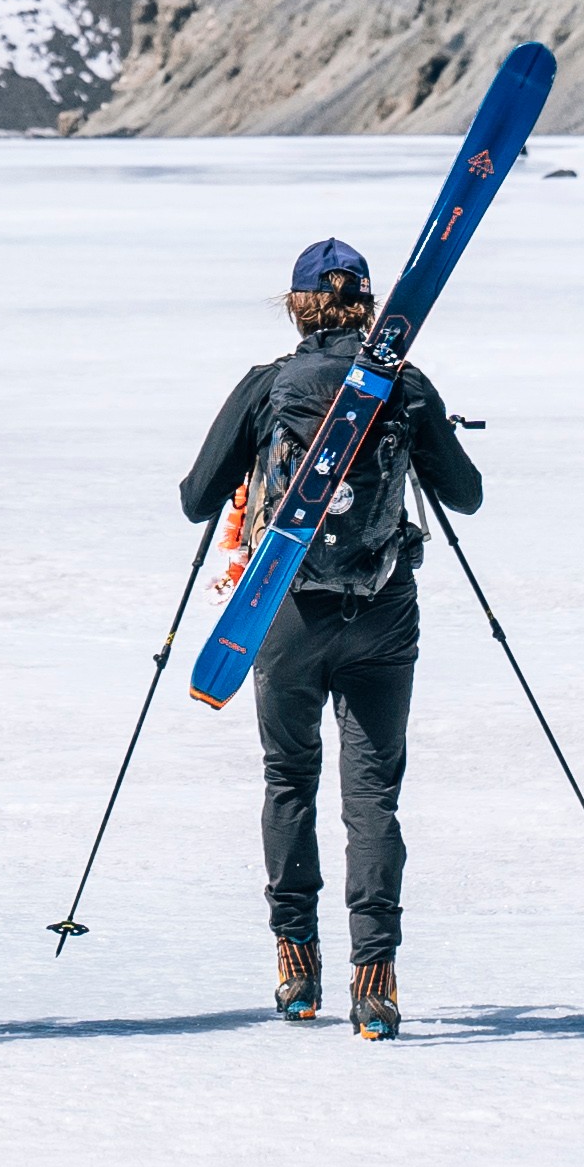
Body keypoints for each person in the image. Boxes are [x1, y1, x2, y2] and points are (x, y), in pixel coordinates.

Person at [178, 234, 483, 1040]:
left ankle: (295, 962)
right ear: (371, 306)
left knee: (289, 780)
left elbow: (195, 497)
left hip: (281, 613)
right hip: (384, 612)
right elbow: (468, 495)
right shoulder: (403, 386)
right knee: (371, 794)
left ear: (297, 305)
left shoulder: (269, 385)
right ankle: (374, 978)